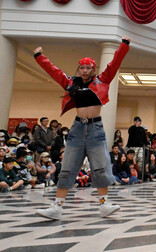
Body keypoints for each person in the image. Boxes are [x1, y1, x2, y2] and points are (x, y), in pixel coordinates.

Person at [33, 37, 130, 220]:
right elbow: (54, 72)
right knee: (68, 167)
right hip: (77, 128)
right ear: (79, 69)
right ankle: (57, 207)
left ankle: (104, 205)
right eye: (82, 68)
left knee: (101, 167)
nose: (85, 71)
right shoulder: (71, 83)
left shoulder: (102, 80)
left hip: (96, 129)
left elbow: (115, 63)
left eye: (88, 68)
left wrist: (124, 45)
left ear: (93, 69)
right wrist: (39, 57)